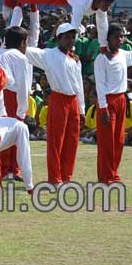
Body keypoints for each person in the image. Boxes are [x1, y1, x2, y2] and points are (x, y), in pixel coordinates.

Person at [24, 23, 85, 183]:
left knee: (72, 142)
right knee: (55, 141)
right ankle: (55, 178)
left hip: (73, 101)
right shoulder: (48, 54)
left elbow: (80, 85)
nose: (71, 40)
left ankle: (66, 176)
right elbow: (26, 50)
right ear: (58, 39)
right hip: (59, 99)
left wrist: (82, 109)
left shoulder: (75, 59)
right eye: (67, 37)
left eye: (73, 37)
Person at [93, 22, 132, 183]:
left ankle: (113, 173)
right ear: (108, 38)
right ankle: (105, 176)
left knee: (118, 140)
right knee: (107, 141)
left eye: (122, 36)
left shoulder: (123, 54)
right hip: (107, 101)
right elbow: (100, 85)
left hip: (121, 99)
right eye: (116, 37)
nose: (120, 39)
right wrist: (103, 107)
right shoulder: (101, 59)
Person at [0, 6, 39, 177]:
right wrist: (22, 111)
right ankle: (13, 169)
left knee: (2, 132)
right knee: (16, 134)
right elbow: (24, 86)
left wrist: (19, 9)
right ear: (23, 43)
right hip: (13, 96)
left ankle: (5, 169)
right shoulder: (20, 57)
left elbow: (14, 29)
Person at [3, 0, 115, 31]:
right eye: (106, 4)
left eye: (109, 5)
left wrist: (103, 46)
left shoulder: (100, 7)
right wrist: (71, 50)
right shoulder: (82, 3)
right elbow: (74, 26)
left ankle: (18, 0)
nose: (107, 8)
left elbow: (103, 26)